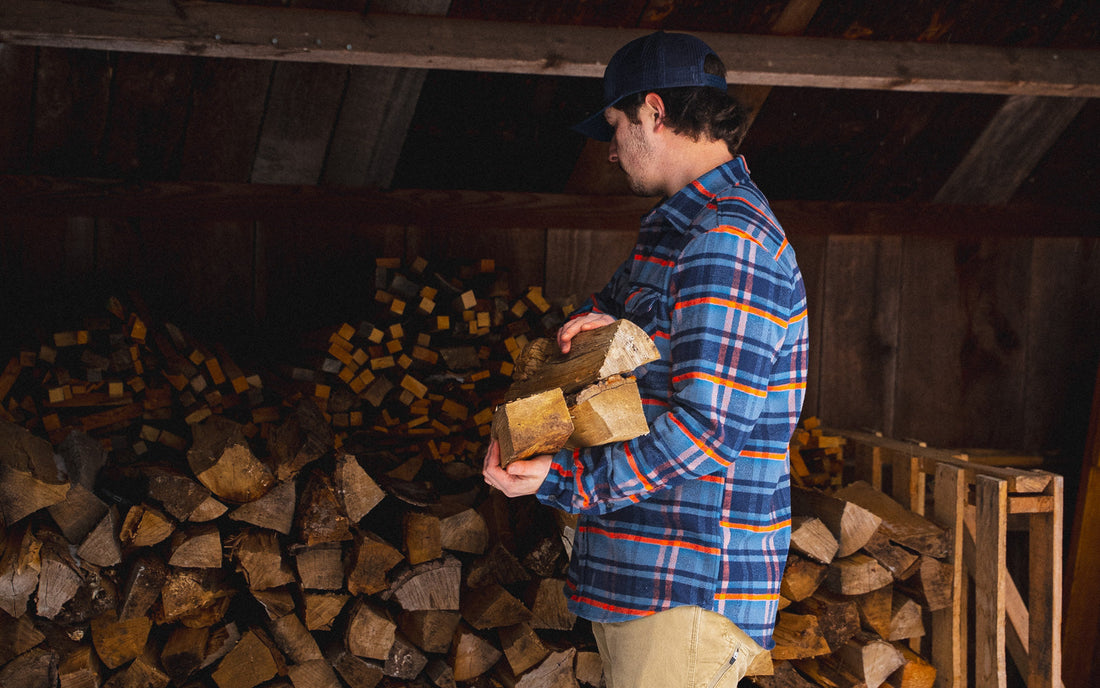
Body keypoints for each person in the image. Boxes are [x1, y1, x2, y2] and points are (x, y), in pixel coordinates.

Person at [483, 30, 808, 688]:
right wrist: (530, 432)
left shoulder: (729, 241)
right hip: (640, 579)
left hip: (685, 591)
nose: (609, 151)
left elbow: (704, 432)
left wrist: (559, 479)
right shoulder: (672, 238)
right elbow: (594, 350)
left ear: (654, 112)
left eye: (614, 126)